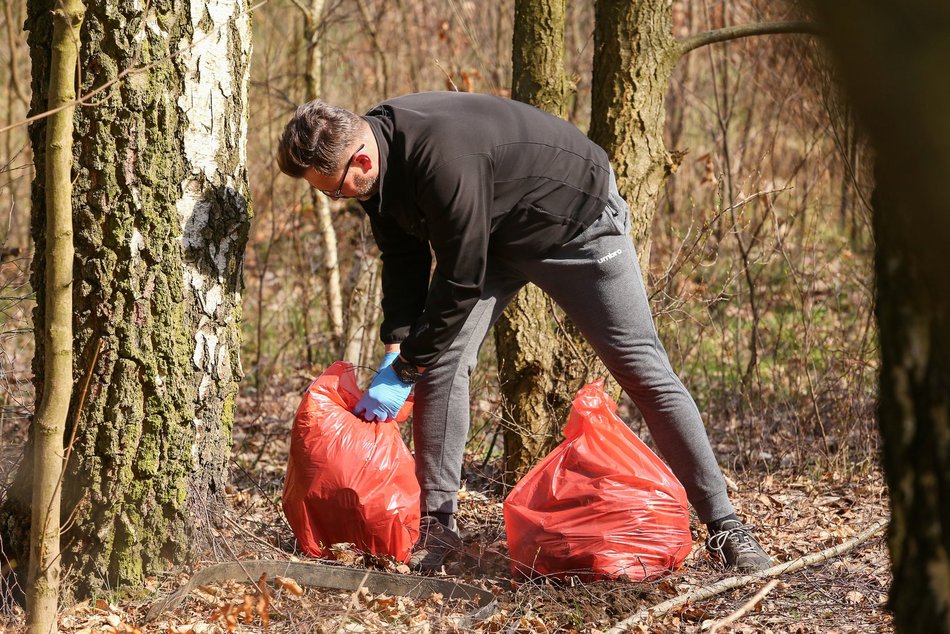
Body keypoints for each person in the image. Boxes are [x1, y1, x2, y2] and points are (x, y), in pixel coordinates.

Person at [277, 91, 772, 574]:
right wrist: (397, 345)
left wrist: (408, 366)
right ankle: (437, 524)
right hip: (494, 236)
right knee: (443, 362)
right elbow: (403, 257)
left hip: (575, 224)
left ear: (361, 160)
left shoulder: (443, 159)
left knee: (639, 366)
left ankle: (724, 523)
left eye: (334, 189)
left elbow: (460, 280)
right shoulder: (373, 170)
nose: (335, 198)